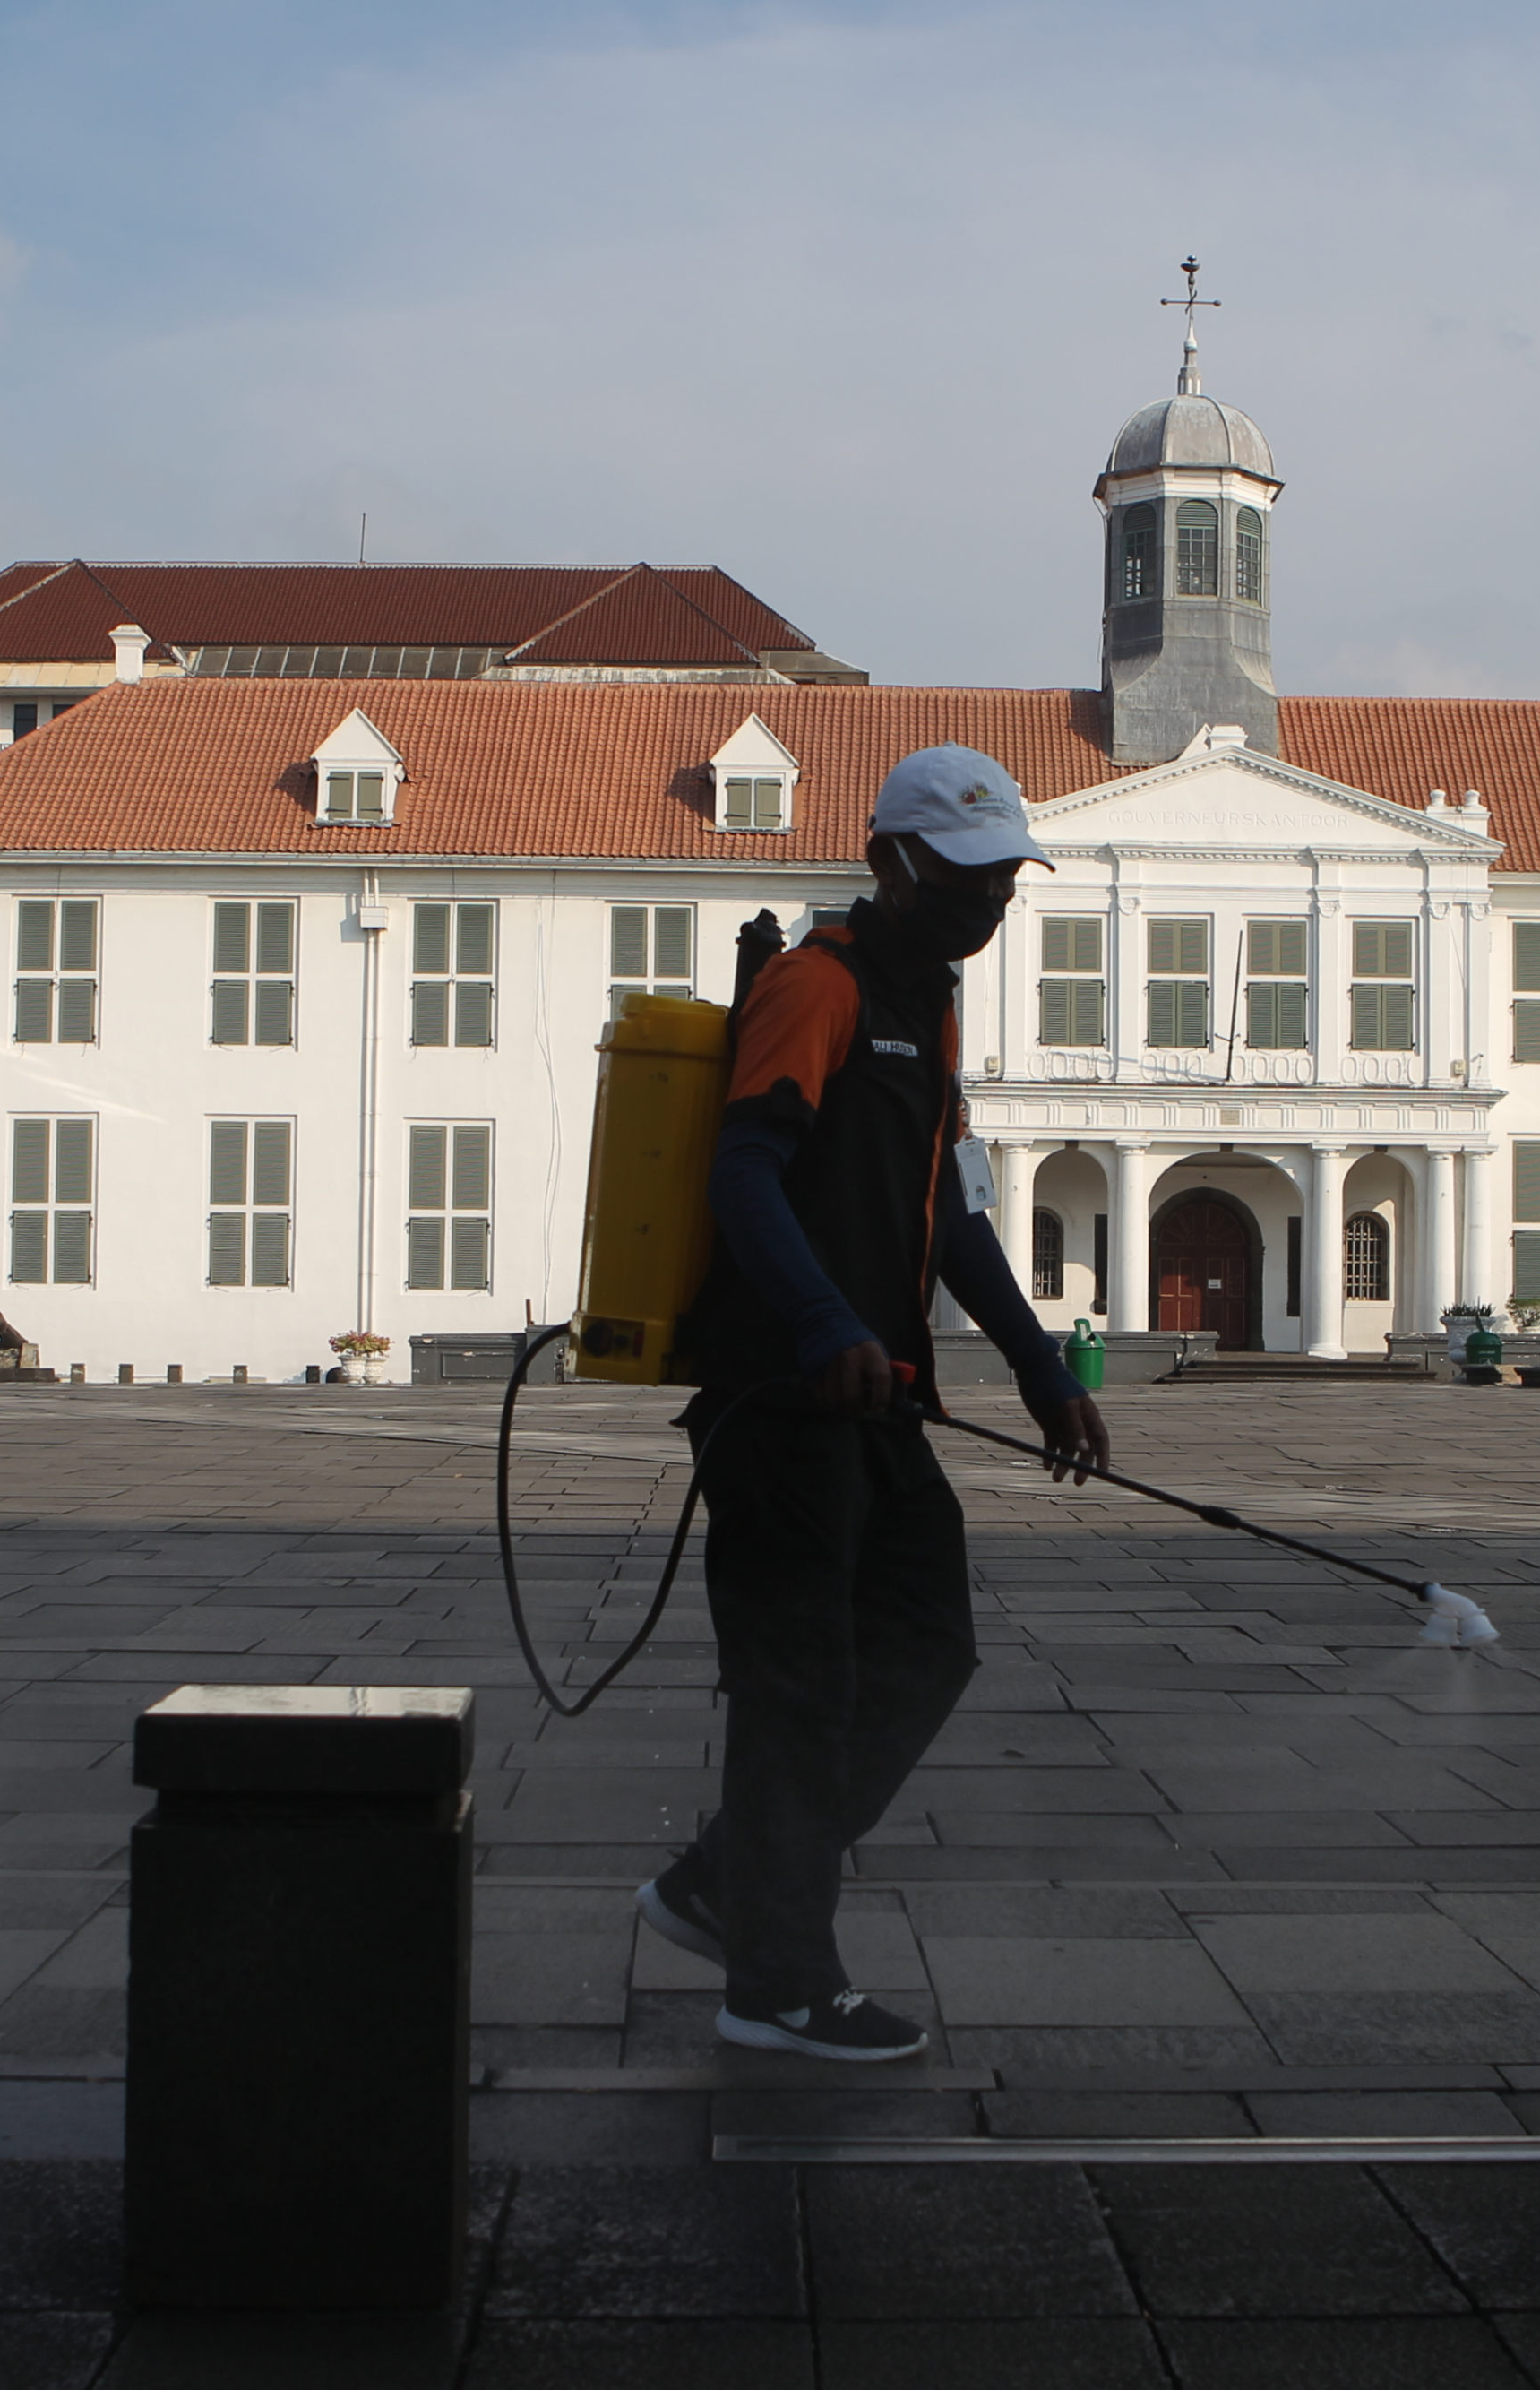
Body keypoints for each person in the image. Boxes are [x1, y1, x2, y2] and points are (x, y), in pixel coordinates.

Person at [637, 746, 1110, 2060]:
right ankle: (778, 1984)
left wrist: (1037, 1364)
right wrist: (821, 1321)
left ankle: (723, 1882)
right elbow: (746, 1174)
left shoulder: (931, 1005)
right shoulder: (816, 984)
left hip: (879, 1402)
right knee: (802, 1686)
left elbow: (948, 1214)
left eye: (1005, 877)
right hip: (784, 1404)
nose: (989, 901)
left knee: (925, 1643)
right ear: (888, 862)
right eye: (965, 877)